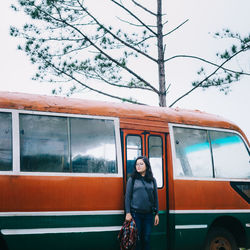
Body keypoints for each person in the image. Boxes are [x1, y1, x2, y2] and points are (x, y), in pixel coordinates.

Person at [125, 156, 159, 250]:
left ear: (147, 166)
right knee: (137, 239)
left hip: (148, 215)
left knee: (146, 238)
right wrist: (128, 213)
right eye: (137, 164)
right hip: (136, 215)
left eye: (141, 164)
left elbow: (155, 197)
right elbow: (127, 197)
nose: (138, 166)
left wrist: (156, 214)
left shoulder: (152, 180)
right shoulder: (132, 179)